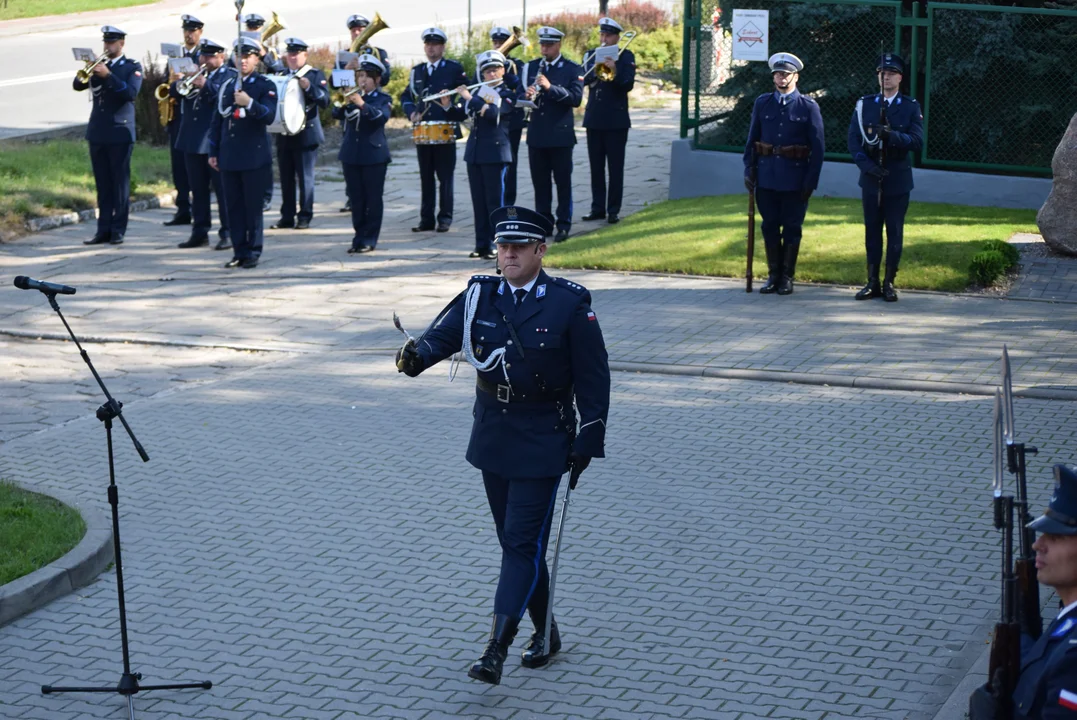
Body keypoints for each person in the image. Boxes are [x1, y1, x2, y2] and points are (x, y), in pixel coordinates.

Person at [395, 204, 610, 686]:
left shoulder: (569, 303)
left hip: (543, 436)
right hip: (494, 431)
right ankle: (546, 632)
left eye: (518, 247)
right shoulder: (481, 294)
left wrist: (589, 434)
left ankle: (495, 648)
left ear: (540, 250)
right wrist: (417, 357)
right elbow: (444, 336)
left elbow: (595, 377)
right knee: (519, 545)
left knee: (519, 543)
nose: (508, 255)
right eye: (502, 247)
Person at [970, 463, 1077, 719]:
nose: (1039, 544)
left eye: (1057, 537)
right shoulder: (1068, 617)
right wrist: (1023, 641)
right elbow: (1046, 667)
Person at [742, 52, 824, 296]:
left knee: (791, 227)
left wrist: (811, 181)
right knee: (769, 226)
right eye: (777, 74)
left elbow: (818, 149)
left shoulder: (808, 106)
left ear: (795, 76)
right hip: (767, 178)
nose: (781, 78)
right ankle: (773, 275)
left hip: (795, 180)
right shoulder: (763, 103)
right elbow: (752, 139)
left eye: (786, 74)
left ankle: (787, 276)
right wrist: (749, 169)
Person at [847, 53, 923, 303]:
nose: (886, 77)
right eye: (882, 73)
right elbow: (853, 141)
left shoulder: (910, 106)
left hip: (897, 179)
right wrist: (867, 167)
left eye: (891, 73)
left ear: (900, 77)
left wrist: (893, 136)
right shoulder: (865, 105)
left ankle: (890, 282)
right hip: (871, 178)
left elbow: (917, 142)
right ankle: (872, 282)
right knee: (872, 231)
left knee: (894, 231)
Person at [209, 38, 278, 269]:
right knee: (234, 207)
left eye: (249, 56)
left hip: (253, 156)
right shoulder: (228, 85)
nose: (244, 60)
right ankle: (239, 251)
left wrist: (249, 103)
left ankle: (253, 251)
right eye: (240, 56)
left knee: (252, 207)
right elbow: (218, 120)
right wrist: (214, 150)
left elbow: (268, 116)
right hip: (230, 155)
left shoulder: (264, 85)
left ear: (257, 59)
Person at [75, 26, 143, 247]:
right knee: (103, 184)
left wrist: (109, 76)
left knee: (120, 184)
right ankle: (102, 229)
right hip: (98, 131)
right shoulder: (97, 67)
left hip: (120, 132)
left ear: (121, 43)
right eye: (105, 42)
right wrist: (88, 68)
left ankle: (117, 230)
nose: (107, 46)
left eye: (112, 42)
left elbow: (130, 94)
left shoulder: (131, 67)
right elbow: (77, 85)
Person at [400, 27, 468, 233]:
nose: (431, 48)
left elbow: (467, 92)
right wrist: (411, 112)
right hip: (423, 131)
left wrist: (451, 105)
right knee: (426, 177)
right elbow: (406, 96)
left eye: (435, 44)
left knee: (445, 178)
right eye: (428, 45)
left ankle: (445, 218)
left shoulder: (454, 69)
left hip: (444, 128)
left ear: (443, 47)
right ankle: (426, 219)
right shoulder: (417, 71)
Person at [524, 27, 583, 243]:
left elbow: (576, 98)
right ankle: (544, 223)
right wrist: (528, 95)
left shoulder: (571, 69)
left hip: (560, 135)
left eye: (549, 45)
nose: (544, 49)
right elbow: (525, 96)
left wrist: (550, 88)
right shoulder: (532, 67)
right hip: (537, 133)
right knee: (540, 183)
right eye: (542, 45)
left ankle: (564, 224)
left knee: (562, 182)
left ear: (558, 45)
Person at [174, 39, 234, 250]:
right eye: (202, 56)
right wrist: (179, 80)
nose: (205, 60)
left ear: (221, 57)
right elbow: (177, 93)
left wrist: (205, 85)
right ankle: (199, 231)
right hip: (191, 139)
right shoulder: (194, 72)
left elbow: (226, 100)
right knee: (197, 190)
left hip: (213, 141)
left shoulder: (229, 76)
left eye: (210, 57)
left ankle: (227, 232)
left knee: (222, 190)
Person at [461, 51, 516, 260]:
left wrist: (470, 98)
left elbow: (493, 113)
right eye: (487, 71)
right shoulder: (479, 92)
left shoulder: (507, 94)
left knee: (496, 203)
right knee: (479, 202)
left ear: (502, 70)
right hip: (475, 153)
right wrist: (448, 103)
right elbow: (461, 114)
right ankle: (481, 244)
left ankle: (499, 245)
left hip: (495, 153)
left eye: (495, 70)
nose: (491, 74)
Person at [334, 55, 392, 254]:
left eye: (367, 77)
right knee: (356, 199)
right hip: (351, 155)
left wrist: (362, 104)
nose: (362, 81)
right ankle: (358, 236)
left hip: (374, 156)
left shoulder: (383, 98)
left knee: (372, 199)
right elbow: (335, 112)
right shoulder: (352, 94)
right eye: (359, 76)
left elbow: (380, 118)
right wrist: (344, 74)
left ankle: (370, 238)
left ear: (376, 79)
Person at [270, 38, 329, 231]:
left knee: (305, 178)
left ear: (305, 55)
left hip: (306, 133)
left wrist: (309, 88)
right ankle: (286, 216)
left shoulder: (313, 74)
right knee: (286, 178)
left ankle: (304, 215)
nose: (292, 58)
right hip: (284, 133)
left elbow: (325, 101)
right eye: (290, 54)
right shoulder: (281, 74)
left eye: (296, 54)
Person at [581, 17, 635, 225]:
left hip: (616, 120)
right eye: (602, 35)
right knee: (596, 167)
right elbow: (583, 80)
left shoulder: (626, 55)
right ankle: (597, 208)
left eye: (608, 35)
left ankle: (613, 209)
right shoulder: (591, 54)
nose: (604, 39)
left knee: (615, 167)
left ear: (616, 37)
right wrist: (594, 68)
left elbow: (627, 84)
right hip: (594, 118)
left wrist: (616, 68)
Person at [163, 14, 202, 227]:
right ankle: (182, 208)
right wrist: (173, 84)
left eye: (193, 30)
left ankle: (198, 209)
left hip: (195, 121)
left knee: (194, 168)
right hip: (178, 120)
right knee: (178, 166)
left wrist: (183, 83)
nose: (189, 34)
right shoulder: (175, 57)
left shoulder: (204, 56)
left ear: (200, 32)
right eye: (186, 30)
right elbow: (166, 86)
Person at [242, 12, 283, 212]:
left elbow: (279, 71)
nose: (253, 31)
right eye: (250, 28)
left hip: (265, 102)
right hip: (245, 104)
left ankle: (266, 195)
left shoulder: (270, 52)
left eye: (256, 28)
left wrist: (263, 54)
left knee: (264, 155)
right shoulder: (242, 49)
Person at [487, 27, 526, 206]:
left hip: (511, 124)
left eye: (501, 43)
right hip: (489, 123)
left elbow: (521, 92)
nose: (498, 46)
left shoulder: (515, 65)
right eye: (495, 43)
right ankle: (494, 206)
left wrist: (508, 76)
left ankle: (509, 208)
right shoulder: (485, 65)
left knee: (510, 167)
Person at [344, 14, 391, 87]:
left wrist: (365, 71)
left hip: (373, 97)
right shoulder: (344, 55)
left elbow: (386, 78)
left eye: (360, 30)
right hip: (351, 95)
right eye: (353, 31)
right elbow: (334, 84)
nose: (356, 33)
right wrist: (346, 70)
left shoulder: (379, 52)